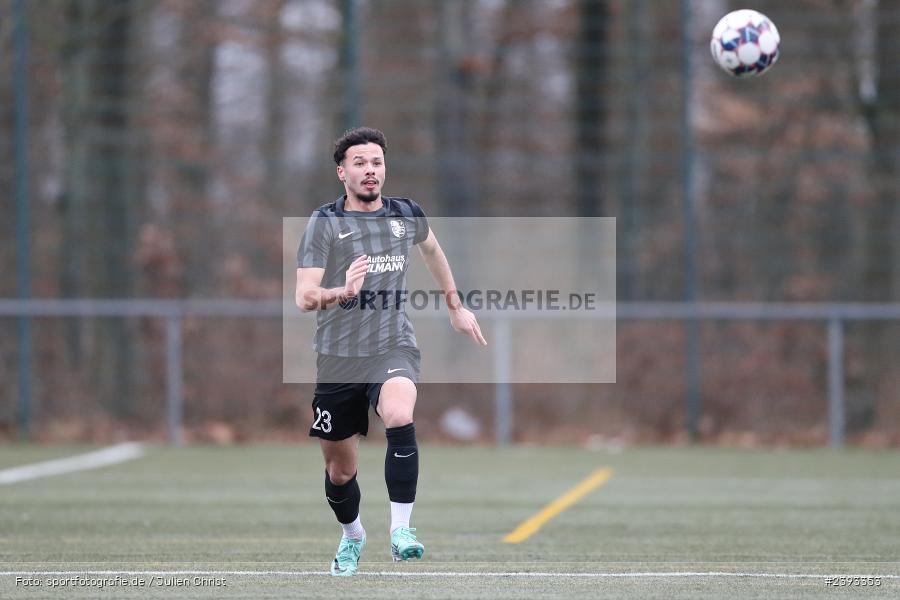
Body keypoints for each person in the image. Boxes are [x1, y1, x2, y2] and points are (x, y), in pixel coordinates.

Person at [295, 127, 487, 576]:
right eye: (360, 163)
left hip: (391, 345)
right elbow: (304, 296)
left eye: (377, 162)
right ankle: (353, 534)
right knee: (340, 473)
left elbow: (433, 251)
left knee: (400, 413)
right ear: (342, 172)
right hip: (338, 358)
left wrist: (454, 306)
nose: (370, 170)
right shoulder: (324, 223)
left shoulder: (406, 214)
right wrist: (341, 291)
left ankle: (402, 531)